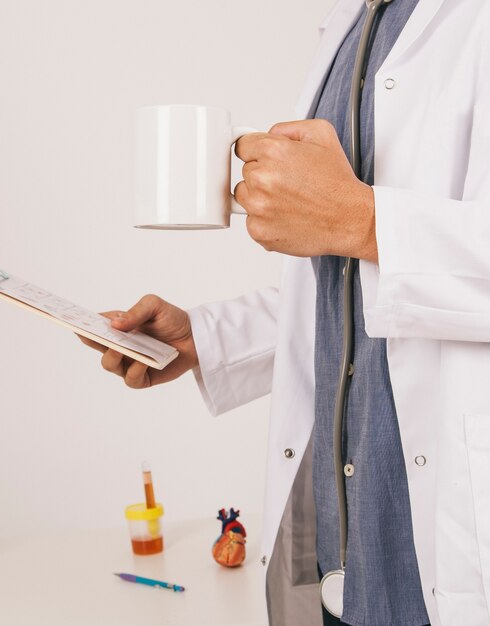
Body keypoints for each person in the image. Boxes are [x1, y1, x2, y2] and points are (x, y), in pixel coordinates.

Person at [81, 0, 490, 624]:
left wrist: (362, 220)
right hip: (342, 555)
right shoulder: (355, 23)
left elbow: (369, 240)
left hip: (444, 556)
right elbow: (348, 291)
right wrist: (207, 341)